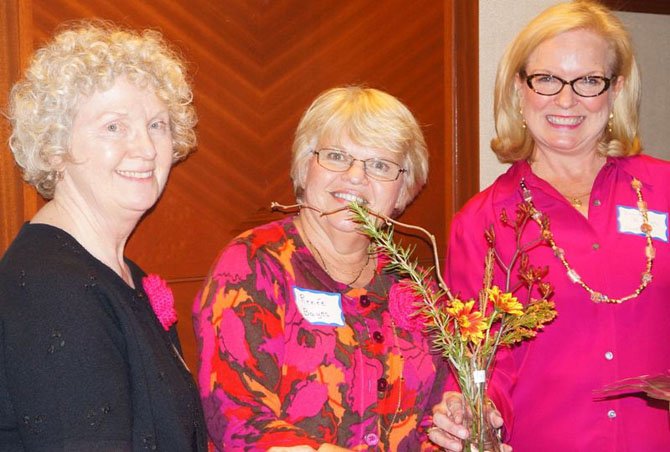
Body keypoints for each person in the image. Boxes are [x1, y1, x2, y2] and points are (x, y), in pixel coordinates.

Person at [429, 1, 670, 451]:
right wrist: (474, 410)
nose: (566, 99)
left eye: (588, 81)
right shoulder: (481, 222)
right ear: (519, 89)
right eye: (547, 79)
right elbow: (485, 364)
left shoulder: (666, 189)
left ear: (615, 90)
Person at [193, 86, 447, 450]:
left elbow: (433, 415)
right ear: (304, 165)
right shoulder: (254, 264)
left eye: (380, 164)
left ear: (404, 187)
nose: (356, 177)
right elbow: (238, 420)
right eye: (336, 156)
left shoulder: (412, 284)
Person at [0, 21, 207, 450]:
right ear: (56, 148)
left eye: (157, 125)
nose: (147, 149)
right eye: (114, 126)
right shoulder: (53, 289)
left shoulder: (121, 273)